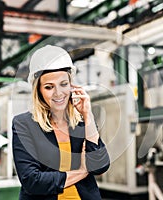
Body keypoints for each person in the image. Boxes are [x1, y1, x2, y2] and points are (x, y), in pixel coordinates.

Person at [12, 45, 110, 200]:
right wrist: (82, 171)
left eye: (63, 84)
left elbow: (100, 166)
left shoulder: (81, 121)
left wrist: (88, 115)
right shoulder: (24, 124)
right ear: (38, 90)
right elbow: (32, 181)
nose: (58, 93)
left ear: (71, 84)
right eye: (49, 87)